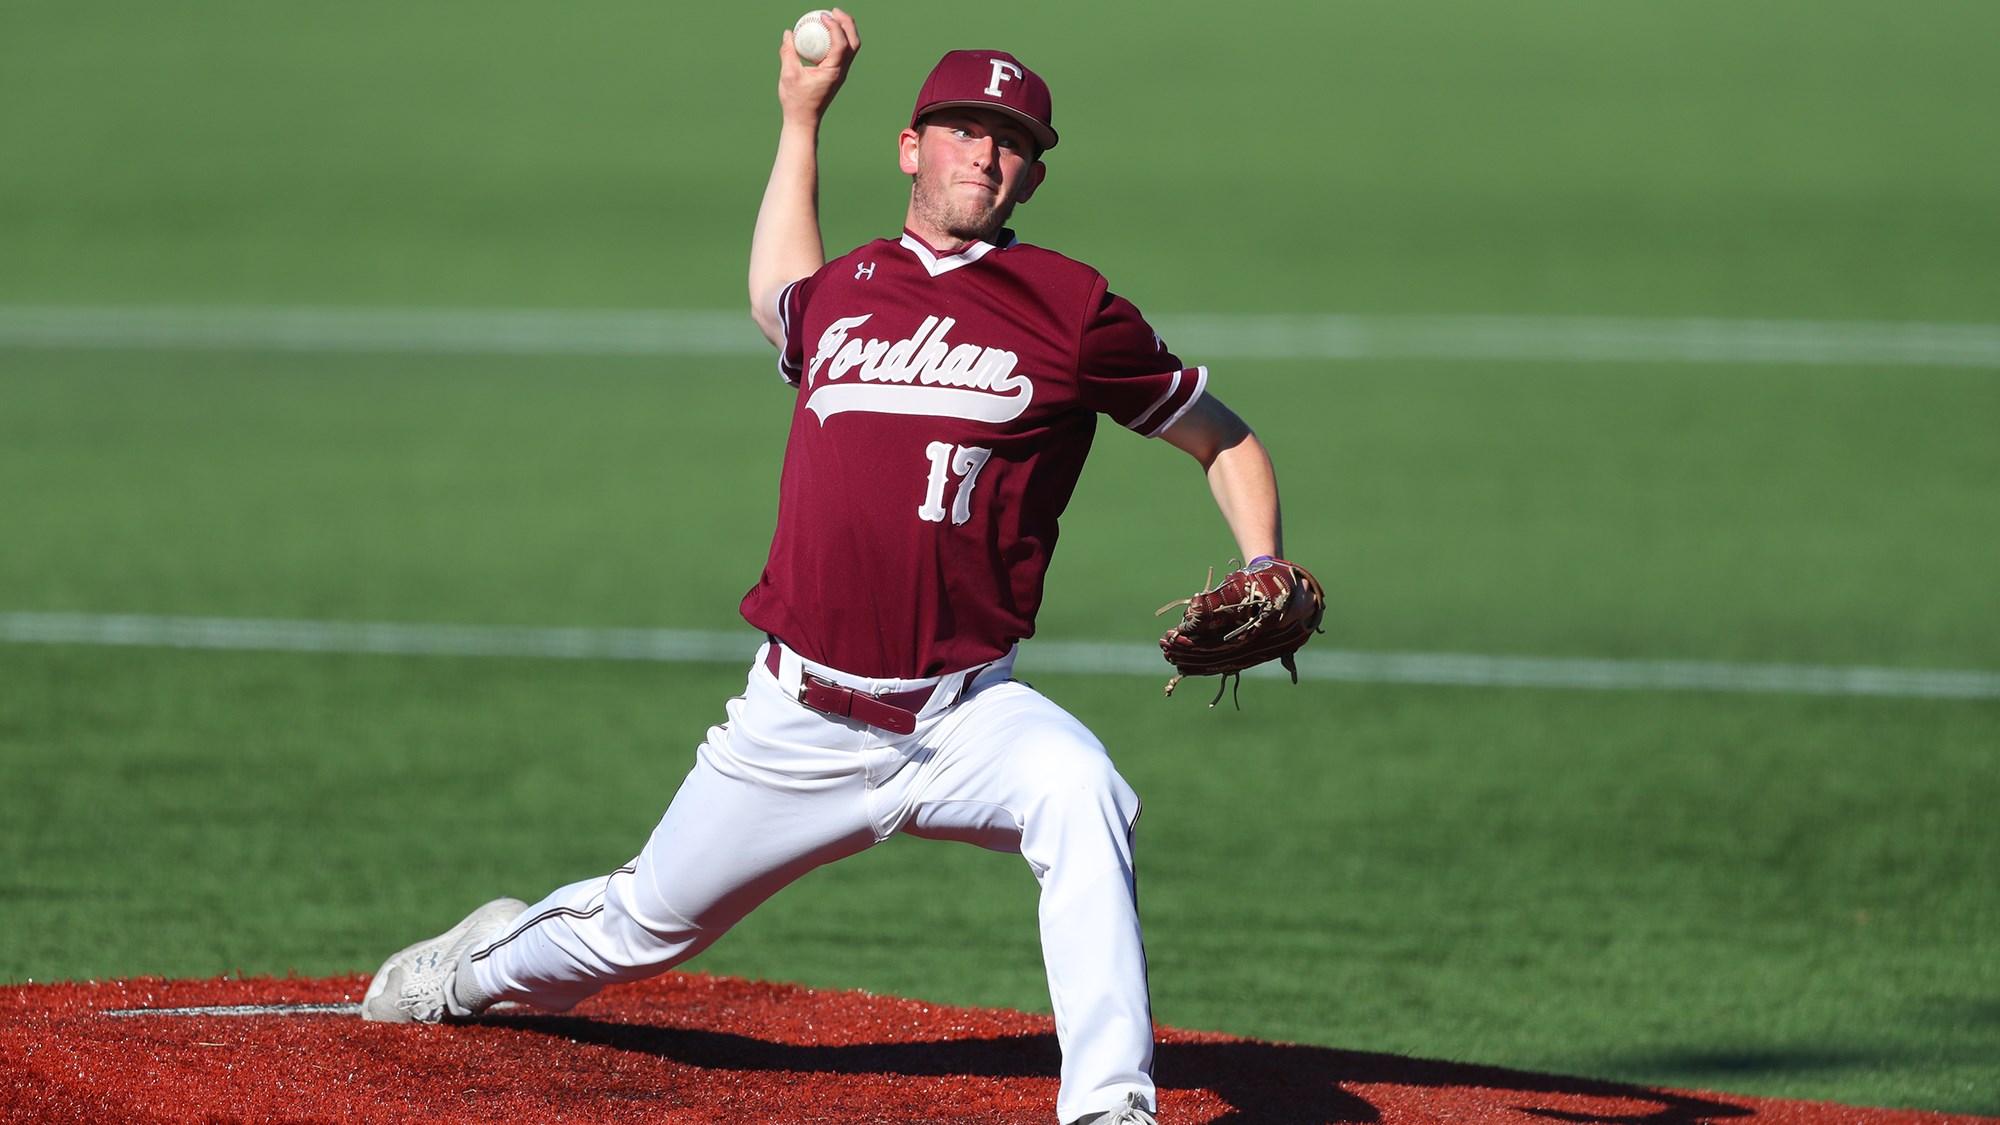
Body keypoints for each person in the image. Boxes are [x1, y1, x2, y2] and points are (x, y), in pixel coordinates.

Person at [358, 12, 1290, 1125]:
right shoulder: (846, 289)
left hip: (961, 720)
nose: (983, 155)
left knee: (1082, 790)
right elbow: (773, 297)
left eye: (1010, 142)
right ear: (909, 147)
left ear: (1032, 175)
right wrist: (800, 119)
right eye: (960, 129)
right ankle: (472, 970)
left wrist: (1263, 556)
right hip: (792, 723)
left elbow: (1218, 435)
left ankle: (1107, 1108)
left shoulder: (1072, 308)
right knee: (641, 927)